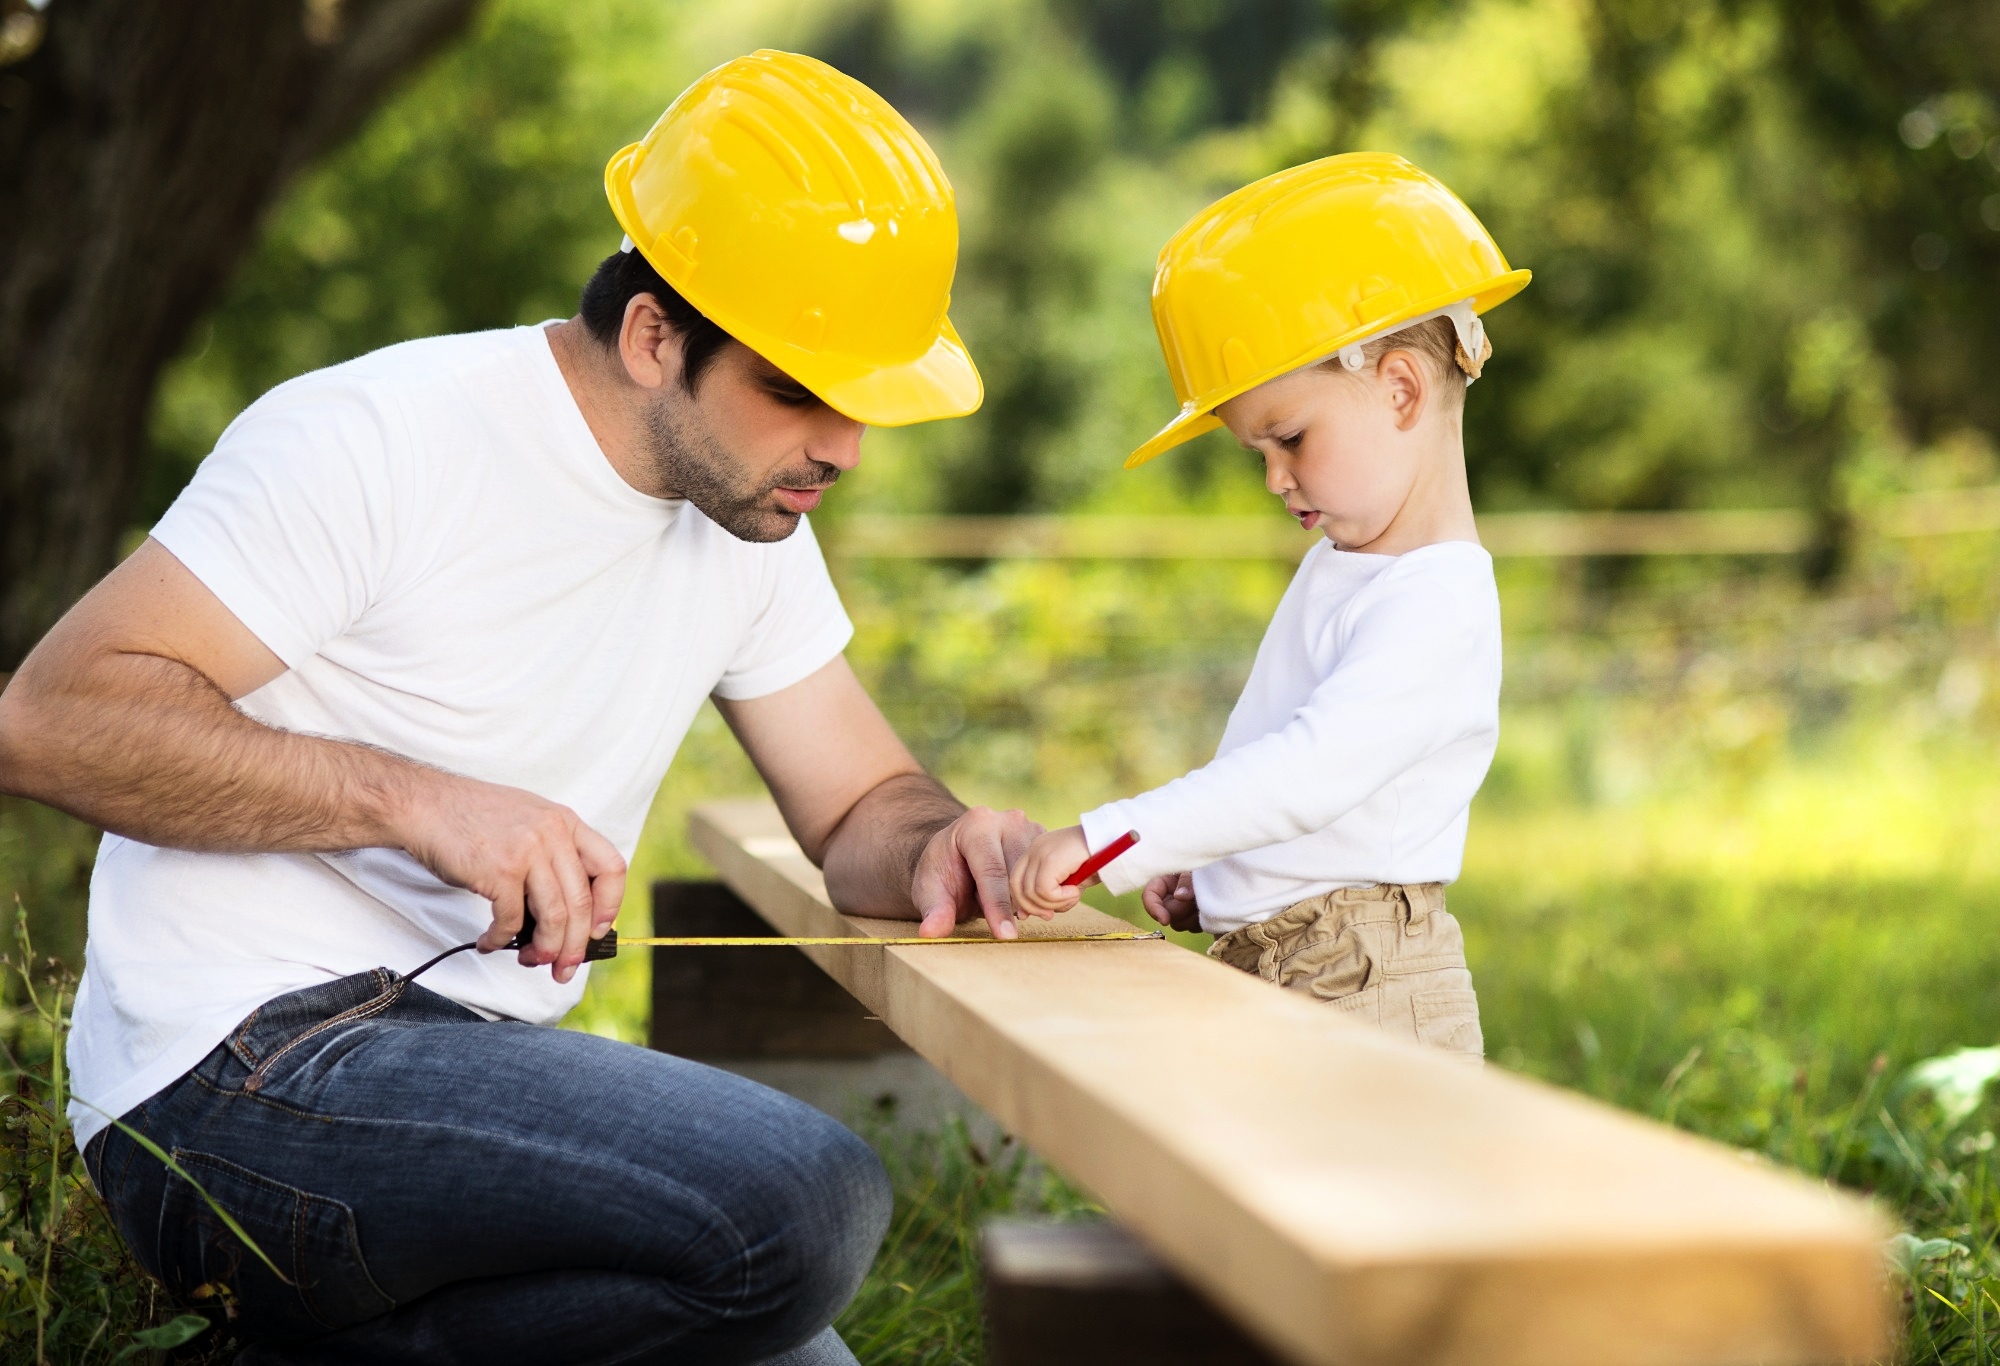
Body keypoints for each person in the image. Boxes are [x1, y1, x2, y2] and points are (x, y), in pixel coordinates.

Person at [0, 51, 1041, 1365]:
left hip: (464, 1078)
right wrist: (414, 800)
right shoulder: (377, 435)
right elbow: (45, 718)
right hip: (233, 1077)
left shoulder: (752, 516)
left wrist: (946, 842)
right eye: (798, 388)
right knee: (806, 1199)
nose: (843, 446)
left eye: (869, 403)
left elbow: (861, 806)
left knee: (801, 1345)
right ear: (657, 332)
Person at [1010, 154, 1530, 1060]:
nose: (1274, 478)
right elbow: (1286, 780)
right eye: (1257, 450)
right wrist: (1218, 875)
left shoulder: (1435, 603)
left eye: (1288, 438)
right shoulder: (1348, 565)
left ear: (1401, 389)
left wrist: (1108, 845)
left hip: (1367, 985)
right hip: (1290, 964)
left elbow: (1307, 773)